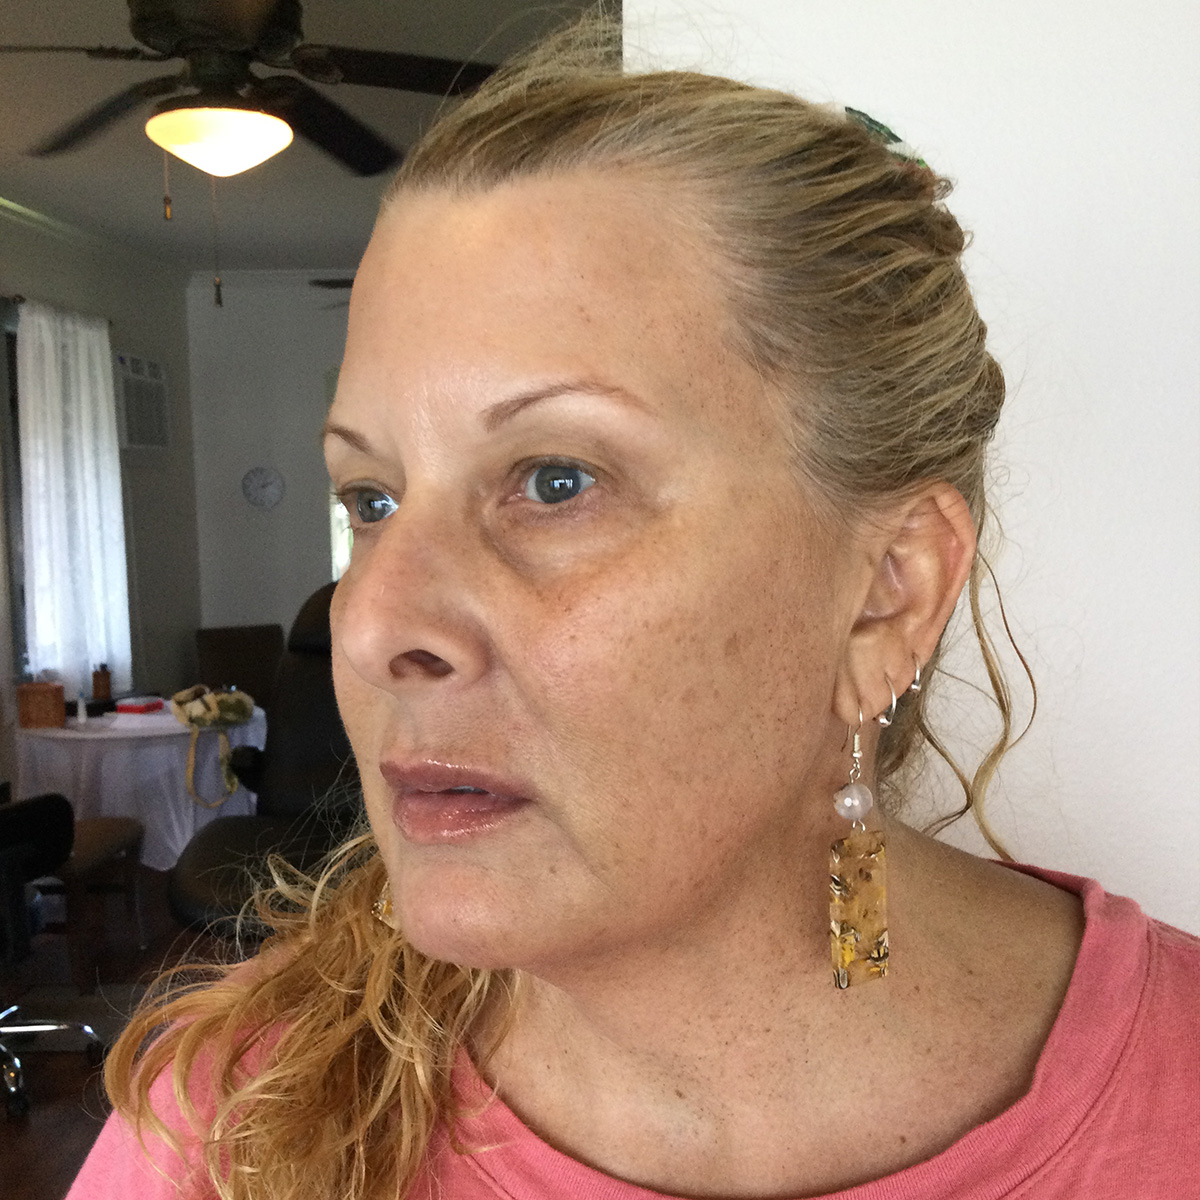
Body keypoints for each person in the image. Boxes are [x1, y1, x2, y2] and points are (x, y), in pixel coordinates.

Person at [69, 20, 1199, 1200]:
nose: (369, 622)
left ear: (885, 594)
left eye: (558, 480)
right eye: (374, 497)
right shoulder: (233, 1123)